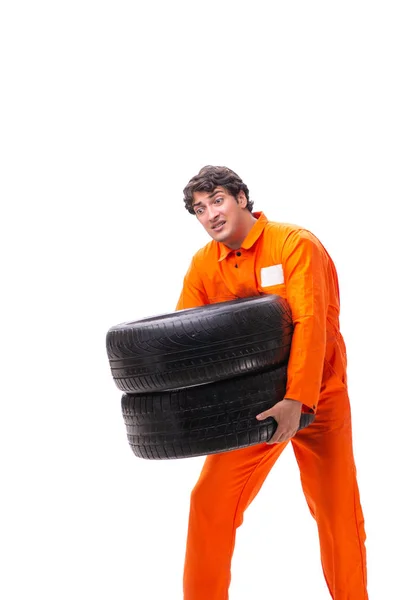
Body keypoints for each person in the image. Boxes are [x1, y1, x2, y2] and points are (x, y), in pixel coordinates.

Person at [175, 165, 368, 600]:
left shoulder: (294, 243)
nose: (210, 215)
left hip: (318, 394)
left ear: (242, 197)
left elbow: (312, 322)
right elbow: (185, 341)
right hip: (253, 406)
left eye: (218, 200)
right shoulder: (204, 265)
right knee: (209, 501)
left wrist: (297, 398)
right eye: (200, 209)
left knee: (336, 512)